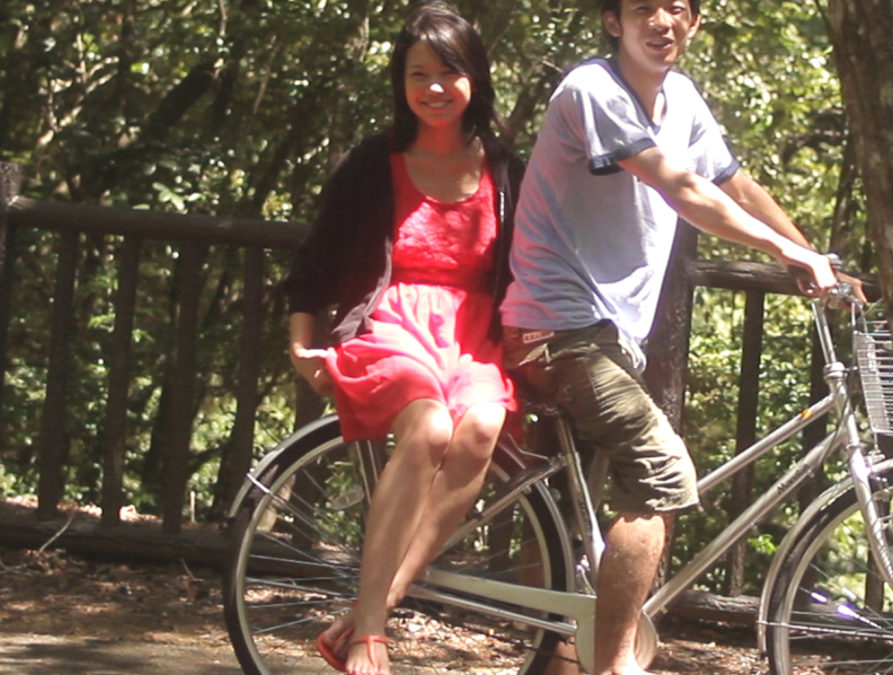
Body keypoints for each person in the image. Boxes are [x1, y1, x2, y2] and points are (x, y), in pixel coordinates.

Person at [500, 1, 846, 673]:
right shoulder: (593, 89)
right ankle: (615, 664)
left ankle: (564, 659)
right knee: (662, 475)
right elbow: (681, 186)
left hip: (604, 336)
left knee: (579, 516)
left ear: (695, 22)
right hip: (559, 328)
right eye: (642, 8)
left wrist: (812, 258)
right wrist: (783, 250)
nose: (661, 20)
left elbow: (732, 182)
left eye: (677, 7)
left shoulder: (681, 97)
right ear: (613, 21)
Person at [282, 3, 523, 673]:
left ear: (475, 78)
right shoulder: (372, 162)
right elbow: (316, 260)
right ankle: (369, 631)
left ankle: (376, 603)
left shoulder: (506, 169)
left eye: (449, 72)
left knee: (481, 428)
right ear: (400, 83)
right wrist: (301, 344)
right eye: (419, 74)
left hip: (472, 336)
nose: (434, 88)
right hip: (389, 326)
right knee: (429, 428)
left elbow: (539, 262)